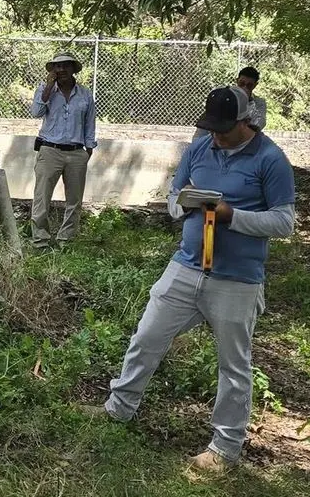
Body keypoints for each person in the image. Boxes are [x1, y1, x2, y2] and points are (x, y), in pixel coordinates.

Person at [89, 85, 296, 475]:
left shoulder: (270, 159)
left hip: (237, 280)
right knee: (146, 337)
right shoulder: (201, 148)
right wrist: (180, 205)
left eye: (223, 128)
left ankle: (225, 448)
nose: (216, 135)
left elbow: (284, 222)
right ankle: (119, 409)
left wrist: (231, 214)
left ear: (244, 121)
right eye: (210, 127)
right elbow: (173, 194)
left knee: (233, 366)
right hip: (185, 268)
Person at [28, 51, 98, 249]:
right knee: (41, 198)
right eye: (57, 66)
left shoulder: (84, 94)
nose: (61, 69)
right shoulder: (45, 90)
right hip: (50, 150)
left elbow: (89, 123)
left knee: (74, 201)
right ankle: (40, 241)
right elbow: (36, 113)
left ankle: (66, 241)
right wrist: (48, 88)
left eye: (66, 65)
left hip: (76, 152)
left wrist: (88, 148)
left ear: (73, 69)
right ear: (53, 71)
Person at [191, 66, 267, 141]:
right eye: (242, 83)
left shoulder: (259, 103)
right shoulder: (224, 97)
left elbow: (259, 123)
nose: (244, 88)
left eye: (249, 85)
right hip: (212, 139)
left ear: (255, 85)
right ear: (237, 81)